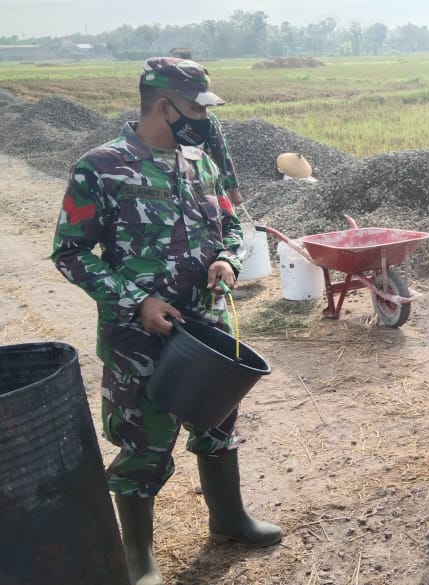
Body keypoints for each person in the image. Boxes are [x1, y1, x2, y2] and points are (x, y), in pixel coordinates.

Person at [52, 57, 281, 585]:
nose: (205, 119)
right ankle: (138, 555)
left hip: (208, 327)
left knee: (219, 422)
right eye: (197, 108)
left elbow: (228, 222)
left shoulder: (198, 162)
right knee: (144, 439)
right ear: (165, 105)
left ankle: (228, 518)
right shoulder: (100, 167)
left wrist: (226, 257)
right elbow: (71, 253)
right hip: (141, 335)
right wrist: (136, 301)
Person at [205, 111, 244, 206]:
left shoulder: (207, 118)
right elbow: (221, 153)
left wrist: (234, 189)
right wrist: (234, 191)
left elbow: (221, 153)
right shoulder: (206, 117)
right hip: (205, 182)